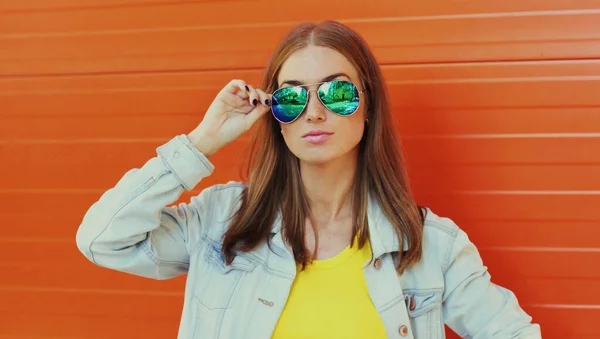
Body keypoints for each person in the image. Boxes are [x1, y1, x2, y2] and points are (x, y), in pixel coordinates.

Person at [75, 20, 542, 339]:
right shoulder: (222, 223)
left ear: (368, 105)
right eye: (291, 97)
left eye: (337, 92)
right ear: (275, 115)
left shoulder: (431, 247)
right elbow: (101, 239)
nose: (314, 112)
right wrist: (202, 142)